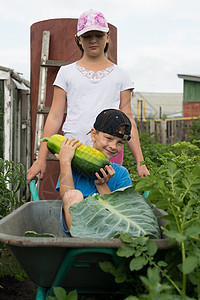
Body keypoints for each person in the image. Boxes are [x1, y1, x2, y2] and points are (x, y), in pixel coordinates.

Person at [27, 9, 149, 184]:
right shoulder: (66, 72)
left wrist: (140, 162)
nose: (93, 40)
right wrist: (41, 158)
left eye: (98, 35)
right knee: (73, 202)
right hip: (74, 150)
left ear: (107, 37)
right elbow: (54, 116)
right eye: (87, 35)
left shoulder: (121, 75)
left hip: (109, 149)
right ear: (78, 39)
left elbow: (127, 118)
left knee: (107, 203)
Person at [56, 109, 133, 235]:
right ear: (93, 135)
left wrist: (101, 184)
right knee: (74, 195)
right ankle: (82, 243)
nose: (113, 146)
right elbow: (66, 196)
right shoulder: (73, 166)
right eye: (108, 138)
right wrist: (65, 162)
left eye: (120, 142)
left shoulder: (121, 173)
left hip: (107, 229)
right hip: (75, 232)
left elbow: (120, 215)